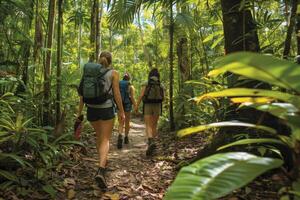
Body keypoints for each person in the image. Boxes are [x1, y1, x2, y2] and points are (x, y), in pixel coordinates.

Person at [77, 51, 125, 189]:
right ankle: (101, 169)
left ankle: (102, 162)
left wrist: (79, 113)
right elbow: (116, 94)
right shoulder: (114, 73)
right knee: (105, 139)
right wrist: (122, 111)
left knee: (100, 136)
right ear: (110, 61)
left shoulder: (89, 73)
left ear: (99, 60)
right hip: (106, 109)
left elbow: (81, 94)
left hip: (91, 109)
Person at [135, 68, 164, 156]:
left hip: (147, 105)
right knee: (154, 125)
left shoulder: (146, 83)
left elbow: (141, 95)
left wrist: (136, 105)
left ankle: (150, 141)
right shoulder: (161, 84)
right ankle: (153, 144)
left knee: (148, 125)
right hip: (158, 106)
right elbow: (164, 98)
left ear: (150, 75)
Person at [117, 73, 137, 149]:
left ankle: (120, 135)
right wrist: (135, 106)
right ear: (129, 79)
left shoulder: (119, 85)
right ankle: (126, 138)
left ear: (123, 78)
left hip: (120, 104)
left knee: (121, 121)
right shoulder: (130, 86)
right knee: (127, 122)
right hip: (128, 105)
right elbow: (132, 97)